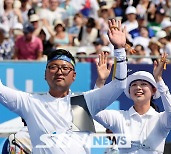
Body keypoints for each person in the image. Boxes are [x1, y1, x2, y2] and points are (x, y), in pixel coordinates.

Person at [0, 19, 128, 153]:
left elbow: (119, 85)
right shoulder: (31, 102)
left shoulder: (83, 102)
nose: (59, 71)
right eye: (53, 67)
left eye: (65, 68)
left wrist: (119, 50)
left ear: (74, 76)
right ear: (45, 74)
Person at [95, 52, 171, 153]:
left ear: (154, 91)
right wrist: (100, 81)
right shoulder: (119, 117)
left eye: (143, 84)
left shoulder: (160, 119)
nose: (138, 88)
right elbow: (95, 111)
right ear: (129, 92)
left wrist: (159, 80)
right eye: (134, 85)